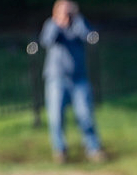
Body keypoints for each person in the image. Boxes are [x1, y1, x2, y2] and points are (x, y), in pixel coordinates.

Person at [39, 0, 105, 164]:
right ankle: (60, 150)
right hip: (56, 78)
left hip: (78, 78)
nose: (66, 14)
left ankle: (93, 148)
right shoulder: (51, 24)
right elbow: (47, 41)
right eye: (63, 10)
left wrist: (77, 20)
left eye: (68, 11)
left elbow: (90, 37)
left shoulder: (78, 23)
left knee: (85, 115)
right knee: (56, 117)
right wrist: (58, 23)